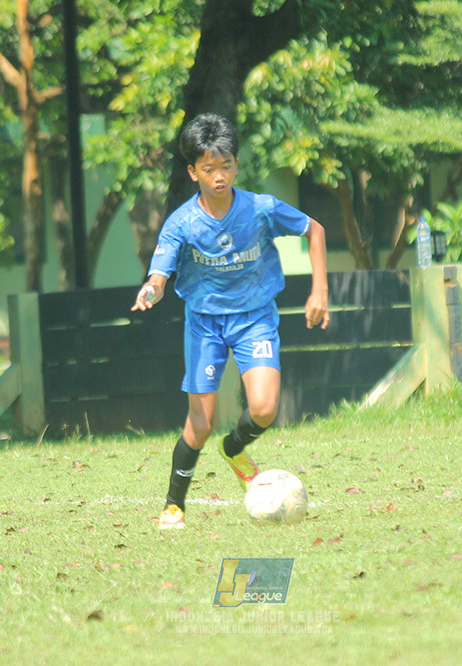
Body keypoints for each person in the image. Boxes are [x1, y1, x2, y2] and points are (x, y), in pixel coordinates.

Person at [131, 113, 330, 529]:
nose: (218, 176)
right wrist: (152, 288)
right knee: (199, 425)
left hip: (255, 317)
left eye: (225, 166)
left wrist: (320, 291)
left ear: (236, 164)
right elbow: (161, 271)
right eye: (208, 169)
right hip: (204, 324)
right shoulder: (182, 223)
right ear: (192, 172)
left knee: (263, 408)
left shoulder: (260, 209)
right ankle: (174, 504)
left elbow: (315, 230)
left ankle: (235, 448)